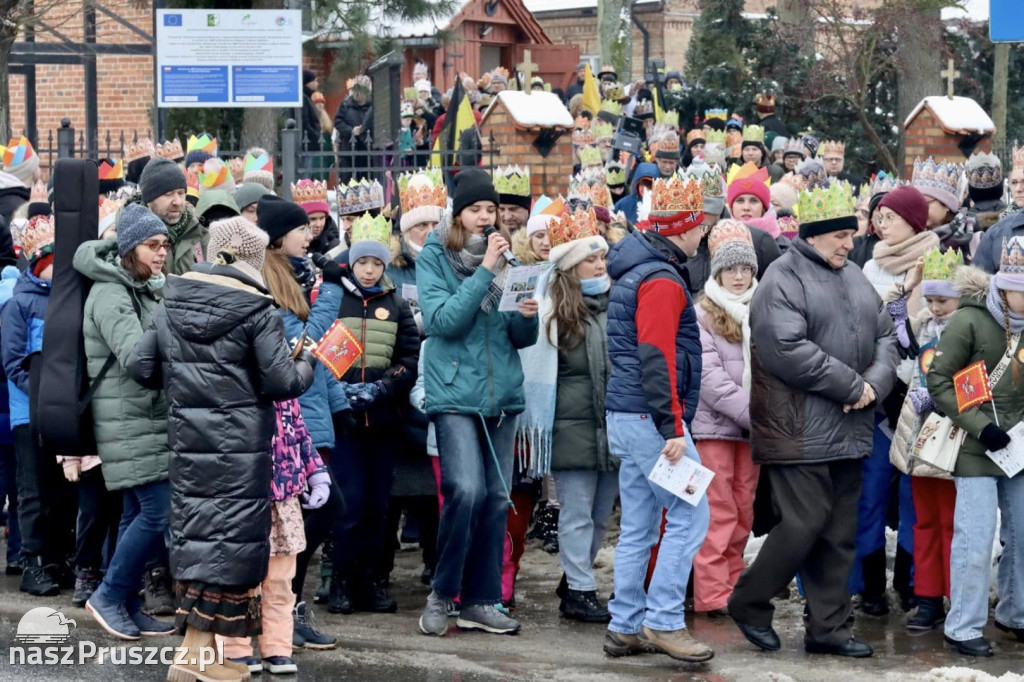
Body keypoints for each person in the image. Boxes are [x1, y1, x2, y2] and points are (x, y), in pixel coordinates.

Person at [127, 216, 315, 682]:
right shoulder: (257, 310)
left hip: (190, 447)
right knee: (229, 549)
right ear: (253, 260)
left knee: (204, 545)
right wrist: (307, 361)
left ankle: (201, 658)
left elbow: (139, 365)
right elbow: (282, 382)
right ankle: (194, 660)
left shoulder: (173, 301)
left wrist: (184, 381)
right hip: (241, 450)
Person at [728, 183, 898, 658]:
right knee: (803, 524)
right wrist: (852, 385)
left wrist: (874, 386)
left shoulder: (857, 277)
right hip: (796, 429)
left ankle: (829, 630)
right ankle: (749, 600)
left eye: (852, 234)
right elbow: (785, 348)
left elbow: (887, 337)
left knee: (839, 535)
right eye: (841, 235)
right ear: (816, 234)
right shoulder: (782, 278)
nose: (850, 242)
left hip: (850, 428)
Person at [415, 169, 539, 637]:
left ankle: (482, 601)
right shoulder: (435, 258)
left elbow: (518, 336)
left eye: (491, 210)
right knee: (464, 490)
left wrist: (528, 314)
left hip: (501, 393)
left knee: (494, 498)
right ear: (458, 215)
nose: (486, 218)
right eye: (476, 210)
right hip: (452, 392)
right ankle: (443, 593)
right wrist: (486, 270)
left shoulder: (510, 259)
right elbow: (443, 321)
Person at [603, 176, 713, 663]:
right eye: (699, 227)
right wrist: (671, 426)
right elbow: (655, 356)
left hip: (629, 418)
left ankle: (624, 623)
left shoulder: (635, 270)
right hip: (653, 422)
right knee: (692, 513)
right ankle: (664, 620)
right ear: (683, 230)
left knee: (641, 524)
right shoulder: (663, 280)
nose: (703, 235)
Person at [74, 204, 175, 640]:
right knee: (158, 511)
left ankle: (129, 602)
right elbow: (138, 359)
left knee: (136, 513)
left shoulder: (142, 287)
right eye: (152, 245)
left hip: (147, 418)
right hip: (129, 420)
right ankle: (109, 595)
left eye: (165, 245)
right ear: (130, 247)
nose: (161, 254)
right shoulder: (111, 293)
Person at [254, 194, 347, 652]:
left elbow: (322, 359)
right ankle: (280, 610)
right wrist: (331, 290)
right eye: (299, 229)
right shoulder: (268, 282)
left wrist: (340, 405)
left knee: (318, 514)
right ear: (276, 238)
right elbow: (303, 343)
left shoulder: (294, 275)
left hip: (311, 414)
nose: (308, 235)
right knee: (305, 519)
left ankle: (287, 607)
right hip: (289, 422)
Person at [318, 211, 420, 615]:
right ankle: (341, 580)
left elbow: (409, 359)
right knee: (350, 504)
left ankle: (373, 581)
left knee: (378, 507)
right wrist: (338, 389)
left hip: (382, 421)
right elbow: (317, 349)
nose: (369, 269)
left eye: (377, 263)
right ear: (351, 261)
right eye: (363, 262)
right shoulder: (333, 298)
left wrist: (383, 387)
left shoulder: (395, 303)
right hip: (344, 422)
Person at [517, 207, 615, 623]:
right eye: (591, 259)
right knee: (576, 513)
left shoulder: (616, 301)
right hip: (568, 427)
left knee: (601, 516)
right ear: (572, 265)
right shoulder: (550, 307)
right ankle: (579, 590)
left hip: (611, 426)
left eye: (602, 257)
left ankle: (575, 579)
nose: (599, 264)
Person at [927, 236, 1024, 658]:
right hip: (976, 445)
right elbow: (939, 380)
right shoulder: (968, 321)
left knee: (1021, 534)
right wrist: (982, 428)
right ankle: (962, 626)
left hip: (1019, 449)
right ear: (1004, 286)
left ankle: (1015, 614)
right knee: (975, 537)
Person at [855, 185, 938, 616]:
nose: (881, 224)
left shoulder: (937, 260)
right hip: (879, 399)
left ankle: (911, 581)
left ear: (914, 221)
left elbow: (939, 330)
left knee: (913, 495)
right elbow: (864, 330)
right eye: (879, 217)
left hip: (922, 399)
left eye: (891, 217)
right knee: (868, 494)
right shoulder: (869, 267)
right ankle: (870, 586)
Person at [888, 246, 963, 633]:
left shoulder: (969, 330)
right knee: (924, 523)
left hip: (952, 439)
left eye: (943, 300)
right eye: (931, 299)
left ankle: (957, 601)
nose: (935, 307)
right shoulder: (924, 327)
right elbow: (891, 320)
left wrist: (938, 397)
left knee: (951, 525)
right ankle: (928, 598)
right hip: (917, 437)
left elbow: (975, 383)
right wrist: (909, 285)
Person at [2, 214, 73, 597]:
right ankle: (32, 561)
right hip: (28, 414)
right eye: (52, 265)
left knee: (61, 489)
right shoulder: (19, 306)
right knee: (32, 491)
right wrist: (45, 393)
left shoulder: (66, 300)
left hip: (60, 412)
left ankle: (57, 559)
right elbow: (14, 363)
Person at [691, 220, 759, 617]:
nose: (738, 276)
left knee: (744, 510)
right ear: (717, 271)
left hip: (749, 434)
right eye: (731, 268)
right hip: (715, 430)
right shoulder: (703, 313)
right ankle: (713, 594)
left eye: (745, 268)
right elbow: (711, 380)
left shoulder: (761, 307)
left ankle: (734, 584)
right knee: (718, 512)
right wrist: (756, 415)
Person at [137, 157, 204, 275]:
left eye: (181, 193)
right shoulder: (133, 238)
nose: (177, 201)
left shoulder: (199, 233)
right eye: (168, 194)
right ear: (149, 200)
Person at [334, 76, 373, 182]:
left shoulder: (373, 105)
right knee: (346, 179)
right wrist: (351, 130)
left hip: (367, 148)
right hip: (348, 148)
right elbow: (338, 122)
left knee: (366, 180)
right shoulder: (345, 104)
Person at [301, 69, 323, 153]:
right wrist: (316, 136)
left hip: (310, 142)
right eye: (315, 80)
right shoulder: (304, 98)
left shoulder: (308, 97)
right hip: (307, 143)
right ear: (308, 82)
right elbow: (305, 122)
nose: (316, 83)